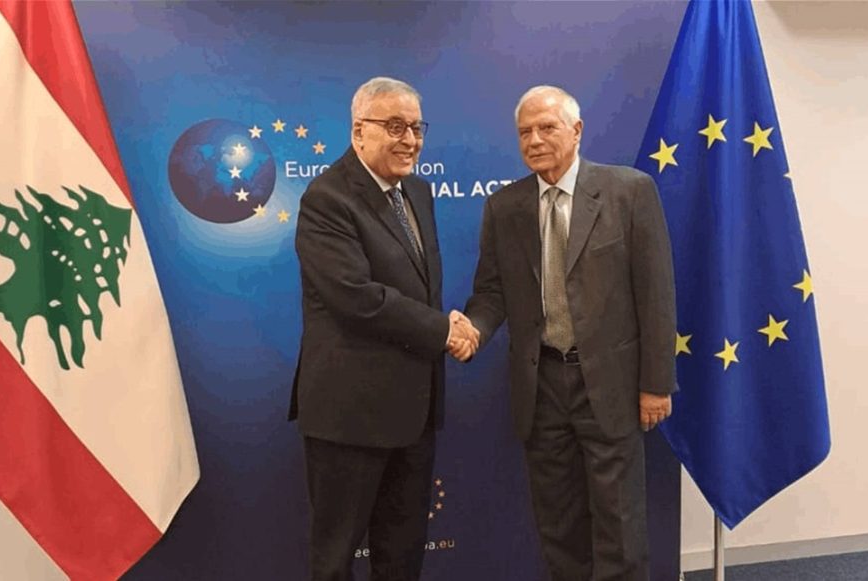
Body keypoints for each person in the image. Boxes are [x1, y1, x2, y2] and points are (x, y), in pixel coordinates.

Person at [457, 85, 676, 581]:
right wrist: (474, 329)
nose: (534, 140)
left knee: (621, 527)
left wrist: (656, 383)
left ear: (576, 131)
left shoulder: (629, 192)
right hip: (542, 389)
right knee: (558, 526)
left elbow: (657, 294)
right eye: (524, 132)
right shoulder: (504, 207)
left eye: (546, 128)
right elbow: (491, 292)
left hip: (613, 385)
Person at [290, 76, 479, 581]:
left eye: (416, 128)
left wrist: (447, 323)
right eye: (395, 126)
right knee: (335, 560)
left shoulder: (417, 191)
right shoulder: (326, 198)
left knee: (402, 556)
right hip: (349, 416)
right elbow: (355, 298)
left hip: (414, 413)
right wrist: (443, 331)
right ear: (359, 131)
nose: (410, 140)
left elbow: (418, 288)